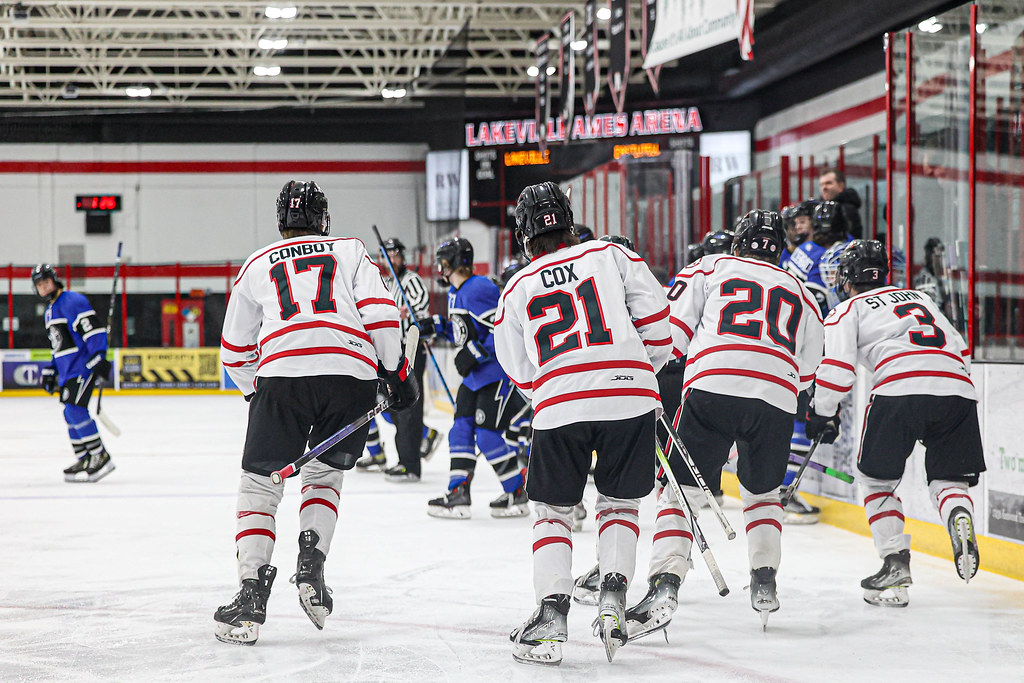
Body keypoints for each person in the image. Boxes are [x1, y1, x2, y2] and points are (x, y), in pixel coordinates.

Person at [214, 180, 420, 645]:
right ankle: (312, 565)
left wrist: (255, 393)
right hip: (351, 375)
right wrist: (396, 373)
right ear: (324, 219)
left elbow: (233, 350)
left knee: (259, 486)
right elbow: (384, 317)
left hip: (282, 373)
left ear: (280, 222)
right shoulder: (349, 250)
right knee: (325, 477)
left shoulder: (255, 263)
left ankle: (250, 595)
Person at [496, 182, 671, 665]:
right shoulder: (612, 254)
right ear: (569, 221)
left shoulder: (517, 285)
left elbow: (516, 367)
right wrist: (634, 376)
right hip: (630, 396)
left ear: (524, 234)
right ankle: (613, 600)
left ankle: (551, 617)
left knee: (553, 513)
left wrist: (554, 393)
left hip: (560, 405)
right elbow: (660, 324)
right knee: (619, 504)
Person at [664, 210, 824, 629]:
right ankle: (764, 579)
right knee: (763, 495)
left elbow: (670, 335)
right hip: (776, 398)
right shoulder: (802, 290)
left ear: (738, 243)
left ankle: (666, 579)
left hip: (712, 387)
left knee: (681, 492)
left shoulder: (710, 266)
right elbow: (809, 369)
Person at [810, 240, 983, 607]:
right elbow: (962, 350)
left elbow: (837, 372)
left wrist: (821, 413)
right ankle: (958, 514)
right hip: (958, 389)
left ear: (846, 277)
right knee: (948, 477)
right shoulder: (921, 299)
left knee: (876, 481)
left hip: (898, 389)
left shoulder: (847, 309)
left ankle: (894, 562)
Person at [419, 237, 528, 519]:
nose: (440, 268)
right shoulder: (458, 292)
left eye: (443, 262)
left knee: (488, 435)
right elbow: (465, 331)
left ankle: (517, 493)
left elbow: (502, 330)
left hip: (495, 375)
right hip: (474, 379)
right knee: (460, 430)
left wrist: (474, 353)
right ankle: (459, 493)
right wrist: (437, 326)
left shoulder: (479, 287)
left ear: (455, 262)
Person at [354, 237, 434, 482]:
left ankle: (410, 465)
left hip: (411, 348)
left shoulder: (411, 280)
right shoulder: (386, 282)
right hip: (393, 350)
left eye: (395, 254)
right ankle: (421, 440)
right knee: (395, 406)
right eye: (388, 255)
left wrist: (405, 311)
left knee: (408, 407)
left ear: (402, 256)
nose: (392, 259)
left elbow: (421, 306)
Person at [32, 264, 115, 483]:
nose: (43, 286)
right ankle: (85, 457)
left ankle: (100, 455)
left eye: (46, 281)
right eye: (39, 284)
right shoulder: (50, 311)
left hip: (83, 367)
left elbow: (93, 330)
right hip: (67, 371)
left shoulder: (73, 301)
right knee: (69, 414)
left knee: (75, 411)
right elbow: (58, 345)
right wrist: (52, 369)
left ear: (55, 280)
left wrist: (99, 356)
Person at [818, 168, 863, 239]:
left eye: (828, 183)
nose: (824, 188)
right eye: (821, 185)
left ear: (841, 186)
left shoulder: (847, 210)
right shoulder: (818, 209)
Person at [779, 200, 815, 269]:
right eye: (794, 224)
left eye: (802, 222)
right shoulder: (784, 254)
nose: (797, 228)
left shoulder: (816, 250)